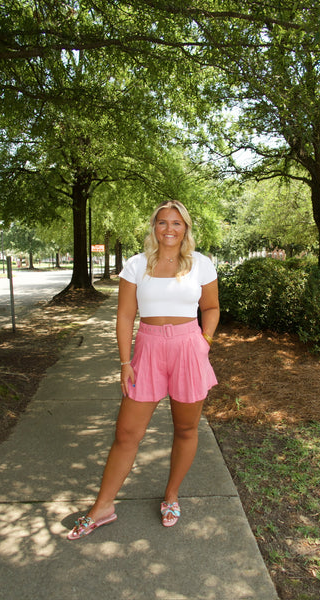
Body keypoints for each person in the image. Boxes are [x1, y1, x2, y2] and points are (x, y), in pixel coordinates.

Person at [67, 200, 219, 539]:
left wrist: (203, 343)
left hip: (188, 349)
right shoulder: (136, 265)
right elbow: (124, 316)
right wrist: (125, 362)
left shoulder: (201, 265)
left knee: (185, 429)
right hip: (148, 350)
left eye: (177, 223)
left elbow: (211, 307)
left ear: (186, 229)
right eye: (163, 222)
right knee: (126, 434)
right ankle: (103, 506)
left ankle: (172, 495)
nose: (169, 229)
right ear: (154, 227)